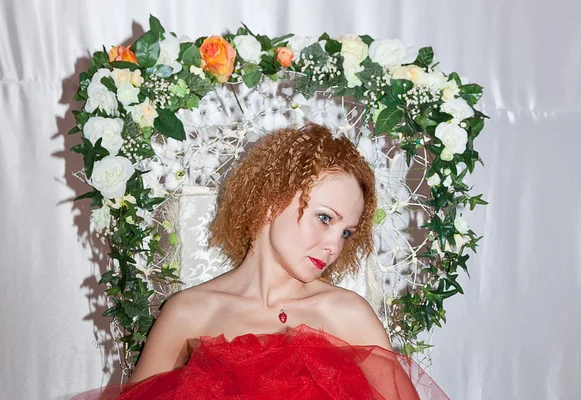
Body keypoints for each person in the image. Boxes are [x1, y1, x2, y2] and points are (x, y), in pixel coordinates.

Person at [75, 123, 448, 399]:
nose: (334, 245)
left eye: (346, 232)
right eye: (324, 218)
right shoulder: (188, 313)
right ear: (272, 199)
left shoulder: (347, 314)